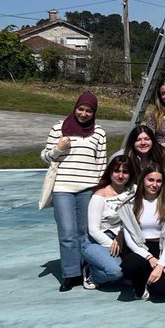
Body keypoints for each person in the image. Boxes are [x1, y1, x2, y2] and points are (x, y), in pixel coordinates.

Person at [43, 92, 108, 292]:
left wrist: (100, 188)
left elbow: (102, 163)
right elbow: (45, 157)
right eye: (81, 109)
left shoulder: (99, 133)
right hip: (62, 187)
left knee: (85, 232)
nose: (84, 114)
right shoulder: (59, 128)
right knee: (67, 232)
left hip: (88, 188)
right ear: (75, 108)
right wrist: (58, 149)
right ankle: (71, 274)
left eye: (89, 111)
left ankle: (85, 268)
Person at [117, 165, 165, 300]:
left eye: (159, 181)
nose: (154, 184)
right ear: (143, 180)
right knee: (130, 265)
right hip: (140, 249)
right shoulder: (129, 205)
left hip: (162, 247)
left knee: (162, 290)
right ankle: (140, 285)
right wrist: (149, 257)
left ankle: (155, 279)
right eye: (150, 180)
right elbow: (129, 239)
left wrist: (160, 264)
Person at [83, 154, 134, 289]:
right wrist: (115, 246)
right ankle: (92, 272)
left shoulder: (133, 191)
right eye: (116, 171)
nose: (120, 175)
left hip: (124, 236)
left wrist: (121, 236)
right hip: (98, 240)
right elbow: (94, 230)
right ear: (110, 172)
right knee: (116, 271)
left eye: (125, 172)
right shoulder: (99, 196)